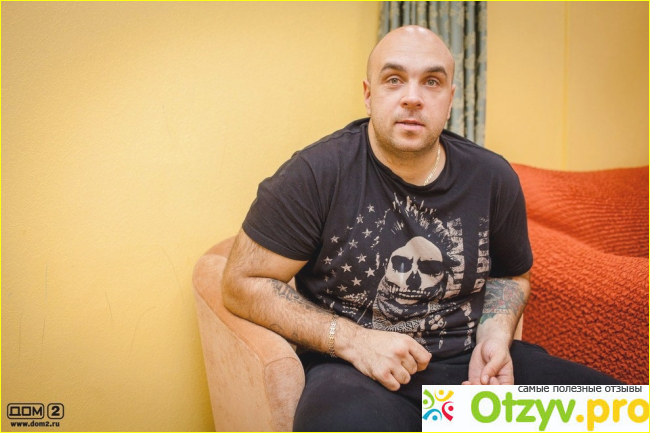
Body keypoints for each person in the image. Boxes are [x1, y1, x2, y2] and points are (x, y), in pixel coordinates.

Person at [222, 25, 621, 432]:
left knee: (619, 416)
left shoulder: (492, 177)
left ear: (450, 100)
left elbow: (509, 274)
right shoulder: (315, 174)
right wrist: (352, 340)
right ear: (368, 94)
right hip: (358, 374)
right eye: (394, 79)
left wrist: (495, 337)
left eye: (432, 82)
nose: (412, 97)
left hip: (472, 378)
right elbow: (241, 282)